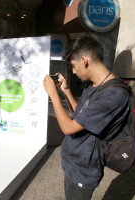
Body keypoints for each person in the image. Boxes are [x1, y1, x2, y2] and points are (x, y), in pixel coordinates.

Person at [43, 35, 130, 200]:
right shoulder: (94, 85)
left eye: (74, 66)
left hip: (84, 170)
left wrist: (53, 96)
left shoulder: (114, 95)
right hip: (72, 163)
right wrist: (66, 91)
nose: (73, 71)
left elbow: (68, 128)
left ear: (84, 60)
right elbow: (79, 115)